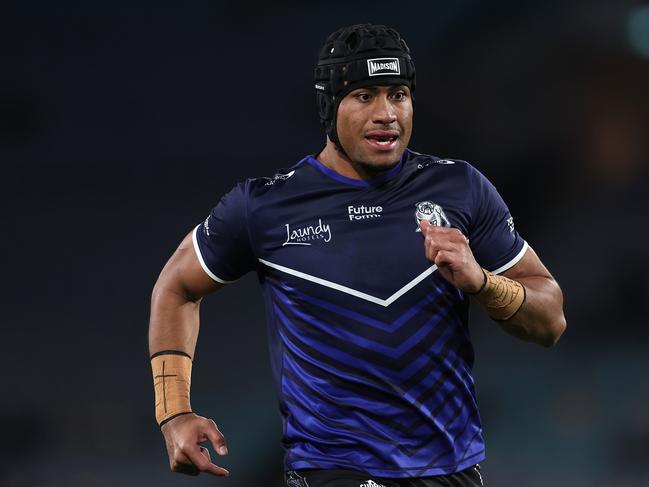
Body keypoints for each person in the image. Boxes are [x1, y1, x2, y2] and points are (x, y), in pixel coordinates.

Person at [148, 24, 566, 487]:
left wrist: (484, 283)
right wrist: (173, 413)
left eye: (398, 94)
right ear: (329, 104)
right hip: (332, 469)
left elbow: (551, 320)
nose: (387, 113)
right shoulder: (263, 207)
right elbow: (177, 287)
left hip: (451, 470)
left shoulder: (460, 189)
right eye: (365, 95)